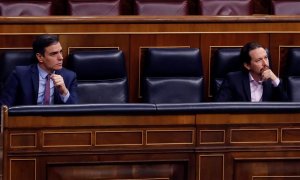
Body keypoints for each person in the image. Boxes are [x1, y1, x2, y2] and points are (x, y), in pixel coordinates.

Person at [0, 34, 78, 107]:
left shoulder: (69, 76)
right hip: (27, 120)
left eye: (61, 52)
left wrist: (64, 92)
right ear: (40, 57)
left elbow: (76, 111)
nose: (61, 57)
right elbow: (4, 108)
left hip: (56, 121)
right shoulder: (20, 74)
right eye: (54, 54)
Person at [215, 42, 288, 102]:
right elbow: (220, 107)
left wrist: (275, 80)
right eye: (259, 60)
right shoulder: (233, 80)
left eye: (266, 58)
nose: (265, 63)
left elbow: (287, 109)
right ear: (247, 65)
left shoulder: (273, 82)